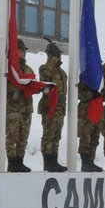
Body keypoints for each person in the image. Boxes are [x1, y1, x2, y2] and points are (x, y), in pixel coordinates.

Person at [38, 40, 67, 172]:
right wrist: (51, 60)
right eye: (55, 54)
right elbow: (45, 81)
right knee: (48, 134)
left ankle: (54, 161)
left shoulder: (61, 72)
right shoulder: (45, 68)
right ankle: (48, 162)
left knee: (56, 135)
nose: (58, 57)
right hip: (49, 105)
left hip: (60, 107)